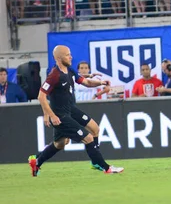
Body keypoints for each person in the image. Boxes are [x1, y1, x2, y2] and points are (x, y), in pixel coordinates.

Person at [29, 45, 124, 176]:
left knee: (88, 131)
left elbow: (86, 82)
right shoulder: (54, 76)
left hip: (71, 110)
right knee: (88, 138)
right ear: (59, 58)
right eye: (68, 55)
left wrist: (100, 83)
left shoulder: (69, 70)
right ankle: (105, 167)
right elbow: (41, 96)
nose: (71, 57)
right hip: (61, 115)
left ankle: (37, 161)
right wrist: (51, 115)